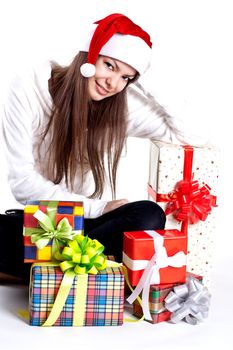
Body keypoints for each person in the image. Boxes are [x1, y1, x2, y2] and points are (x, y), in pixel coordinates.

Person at [1, 13, 203, 282]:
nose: (113, 84)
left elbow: (191, 135)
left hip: (89, 229)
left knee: (148, 215)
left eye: (126, 78)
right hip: (48, 222)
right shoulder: (29, 87)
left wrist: (144, 76)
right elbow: (23, 183)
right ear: (88, 55)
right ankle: (83, 265)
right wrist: (99, 207)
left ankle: (47, 269)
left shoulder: (119, 107)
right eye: (109, 65)